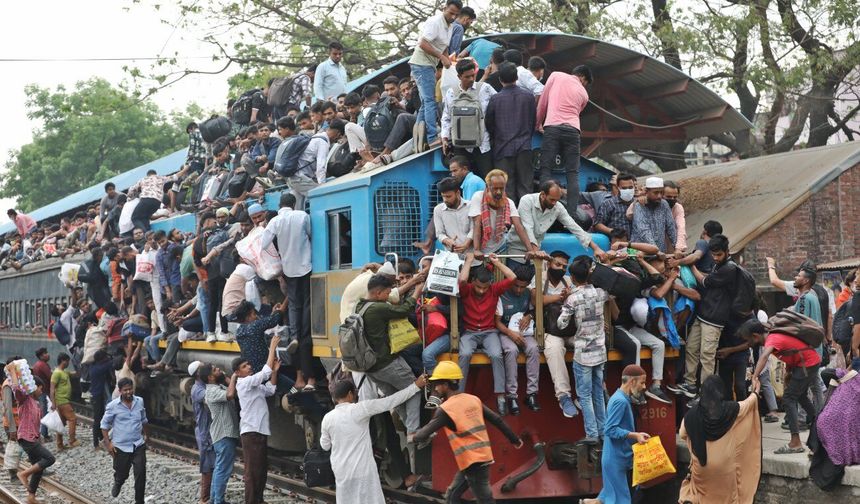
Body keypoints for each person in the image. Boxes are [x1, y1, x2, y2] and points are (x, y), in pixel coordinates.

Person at [413, 361, 522, 503]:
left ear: (445, 385)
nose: (436, 389)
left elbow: (422, 435)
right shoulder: (473, 399)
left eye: (437, 385)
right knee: (452, 496)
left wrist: (415, 437)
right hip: (476, 460)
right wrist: (515, 440)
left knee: (485, 499)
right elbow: (497, 420)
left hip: (473, 462)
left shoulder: (446, 409)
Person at [321, 374, 427, 504]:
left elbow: (325, 445)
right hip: (363, 470)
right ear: (350, 394)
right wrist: (415, 386)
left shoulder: (327, 418)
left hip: (341, 471)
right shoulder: (360, 409)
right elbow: (391, 401)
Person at [668, 235, 737, 398]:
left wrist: (691, 265)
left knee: (707, 356)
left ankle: (706, 393)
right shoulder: (716, 264)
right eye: (713, 255)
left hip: (715, 320)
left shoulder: (729, 268)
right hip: (703, 315)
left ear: (727, 252)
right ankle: (690, 384)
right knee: (691, 348)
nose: (715, 258)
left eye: (719, 255)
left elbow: (704, 281)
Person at [356, 274, 425, 437]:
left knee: (397, 398)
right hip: (388, 363)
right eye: (387, 293)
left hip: (371, 368)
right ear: (378, 293)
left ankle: (410, 430)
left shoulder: (360, 306)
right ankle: (414, 432)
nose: (389, 297)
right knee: (414, 389)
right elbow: (403, 310)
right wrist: (417, 292)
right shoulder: (378, 308)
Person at [261, 192, 315, 391]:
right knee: (308, 302)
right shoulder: (302, 216)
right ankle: (304, 332)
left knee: (294, 304)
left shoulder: (275, 221)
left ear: (280, 204)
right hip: (307, 265)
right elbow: (310, 235)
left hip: (289, 268)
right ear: (293, 203)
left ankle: (294, 336)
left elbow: (264, 243)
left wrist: (278, 253)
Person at [678, 375, 762, 503]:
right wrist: (755, 392)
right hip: (725, 470)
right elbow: (748, 404)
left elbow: (683, 433)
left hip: (702, 468)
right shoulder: (731, 410)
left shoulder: (692, 415)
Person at [743, 319, 820, 454]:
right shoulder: (774, 337)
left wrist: (754, 377)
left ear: (755, 336)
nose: (749, 344)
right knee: (800, 396)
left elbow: (765, 356)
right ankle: (821, 424)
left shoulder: (771, 339)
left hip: (807, 363)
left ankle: (796, 442)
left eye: (749, 340)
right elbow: (792, 350)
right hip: (807, 362)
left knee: (789, 398)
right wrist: (790, 370)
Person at [558, 256, 610, 442]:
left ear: (572, 277)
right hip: (600, 351)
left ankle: (591, 434)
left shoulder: (572, 299)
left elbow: (561, 324)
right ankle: (603, 431)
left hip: (583, 353)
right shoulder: (600, 293)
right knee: (597, 392)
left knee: (584, 395)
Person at [580, 365, 651, 504]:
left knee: (612, 497)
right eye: (642, 382)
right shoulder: (620, 401)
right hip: (617, 460)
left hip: (616, 458)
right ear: (632, 382)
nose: (644, 386)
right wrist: (635, 435)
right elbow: (610, 429)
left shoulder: (618, 397)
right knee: (623, 499)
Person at [457, 253, 517, 414]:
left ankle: (500, 396)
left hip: (489, 332)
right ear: (473, 282)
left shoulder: (494, 290)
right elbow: (462, 280)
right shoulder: (467, 289)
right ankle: (459, 395)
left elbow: (512, 278)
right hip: (469, 333)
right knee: (464, 354)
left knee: (497, 355)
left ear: (490, 284)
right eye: (478, 286)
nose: (482, 291)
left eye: (485, 287)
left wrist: (496, 262)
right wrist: (469, 261)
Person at [536, 65, 592, 212]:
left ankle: (543, 206)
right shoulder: (584, 94)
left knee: (546, 169)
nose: (583, 85)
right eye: (585, 82)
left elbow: (543, 102)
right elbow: (576, 113)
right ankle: (572, 213)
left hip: (552, 127)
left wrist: (538, 124)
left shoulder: (556, 75)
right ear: (582, 78)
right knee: (572, 173)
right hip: (573, 131)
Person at [507, 180, 606, 264]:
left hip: (536, 253)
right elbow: (528, 227)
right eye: (552, 200)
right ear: (543, 195)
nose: (554, 203)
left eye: (557, 200)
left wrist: (595, 247)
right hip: (516, 250)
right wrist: (535, 251)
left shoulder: (557, 207)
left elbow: (573, 227)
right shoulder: (527, 200)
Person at [408, 0, 461, 148]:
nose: (453, 16)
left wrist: (447, 58)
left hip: (429, 64)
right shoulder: (435, 22)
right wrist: (441, 57)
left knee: (426, 102)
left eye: (456, 15)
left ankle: (418, 136)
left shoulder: (450, 26)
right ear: (444, 8)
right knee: (430, 100)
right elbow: (423, 44)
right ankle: (431, 138)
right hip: (421, 63)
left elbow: (443, 46)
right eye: (451, 13)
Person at [234, 334, 281, 504]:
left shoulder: (253, 385)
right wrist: (272, 347)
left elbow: (270, 389)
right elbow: (265, 372)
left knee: (260, 470)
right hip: (251, 431)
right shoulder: (244, 383)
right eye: (245, 366)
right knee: (252, 472)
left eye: (248, 365)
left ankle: (258, 500)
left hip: (259, 430)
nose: (249, 367)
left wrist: (275, 372)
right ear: (238, 372)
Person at [485, 62, 537, 204]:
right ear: (516, 78)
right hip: (524, 147)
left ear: (500, 80)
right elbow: (533, 121)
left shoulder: (495, 99)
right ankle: (526, 222)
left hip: (502, 148)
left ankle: (509, 222)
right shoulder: (528, 97)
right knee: (526, 187)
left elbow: (489, 123)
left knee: (505, 188)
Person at [5, 368, 55, 504]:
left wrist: (39, 438)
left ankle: (31, 497)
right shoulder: (25, 399)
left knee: (38, 468)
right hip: (25, 438)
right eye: (40, 388)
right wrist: (14, 373)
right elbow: (16, 389)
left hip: (33, 438)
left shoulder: (36, 404)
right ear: (33, 387)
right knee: (50, 459)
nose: (41, 391)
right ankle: (23, 473)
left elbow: (35, 424)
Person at [495, 265, 540, 413]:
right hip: (506, 332)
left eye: (523, 286)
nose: (519, 290)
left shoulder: (528, 293)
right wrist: (510, 333)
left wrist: (529, 315)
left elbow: (533, 310)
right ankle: (512, 396)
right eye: (516, 285)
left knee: (533, 348)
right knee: (511, 350)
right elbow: (497, 322)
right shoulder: (502, 295)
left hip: (525, 333)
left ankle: (531, 394)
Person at [441, 58, 496, 175]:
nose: (471, 79)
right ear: (459, 76)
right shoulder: (451, 93)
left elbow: (500, 105)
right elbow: (446, 117)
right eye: (467, 77)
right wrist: (445, 138)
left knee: (486, 177)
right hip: (460, 145)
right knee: (461, 179)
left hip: (483, 144)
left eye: (473, 75)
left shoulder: (485, 88)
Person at [101, 377, 148, 504]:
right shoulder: (112, 406)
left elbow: (144, 419)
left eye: (130, 389)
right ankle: (118, 482)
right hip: (121, 446)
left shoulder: (140, 401)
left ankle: (140, 501)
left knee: (140, 473)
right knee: (122, 473)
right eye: (125, 390)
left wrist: (146, 435)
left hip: (138, 444)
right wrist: (108, 443)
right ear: (120, 391)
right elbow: (104, 426)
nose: (128, 392)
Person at [468, 169, 532, 257]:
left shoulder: (509, 202)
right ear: (488, 187)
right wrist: (476, 250)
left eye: (501, 188)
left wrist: (530, 250)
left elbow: (518, 227)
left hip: (499, 249)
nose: (498, 192)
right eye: (495, 188)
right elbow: (477, 223)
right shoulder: (478, 197)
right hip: (479, 249)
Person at [203, 363, 239, 504]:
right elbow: (230, 394)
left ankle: (214, 500)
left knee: (220, 468)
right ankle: (218, 500)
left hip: (224, 434)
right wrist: (234, 376)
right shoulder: (211, 391)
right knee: (223, 470)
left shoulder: (218, 387)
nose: (219, 369)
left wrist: (227, 378)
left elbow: (233, 390)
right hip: (224, 434)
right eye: (215, 369)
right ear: (210, 377)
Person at [129, 166, 189, 232]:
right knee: (145, 218)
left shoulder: (143, 179)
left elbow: (131, 189)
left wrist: (130, 197)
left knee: (135, 218)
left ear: (148, 175)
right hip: (157, 203)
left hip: (146, 200)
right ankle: (149, 232)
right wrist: (185, 169)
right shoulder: (160, 178)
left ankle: (146, 235)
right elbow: (175, 176)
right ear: (156, 174)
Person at [629, 177, 677, 253]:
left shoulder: (664, 204)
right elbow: (644, 231)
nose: (659, 196)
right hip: (640, 252)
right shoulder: (639, 205)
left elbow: (671, 227)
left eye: (661, 193)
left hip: (660, 251)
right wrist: (656, 251)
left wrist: (677, 248)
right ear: (647, 192)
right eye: (655, 193)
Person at [188, 361, 214, 504]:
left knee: (212, 464)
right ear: (198, 373)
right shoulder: (197, 389)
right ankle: (204, 498)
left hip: (209, 430)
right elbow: (211, 397)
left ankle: (211, 496)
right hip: (205, 432)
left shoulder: (202, 386)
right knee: (207, 466)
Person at [433, 176, 473, 256]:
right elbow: (439, 234)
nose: (445, 200)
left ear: (458, 193)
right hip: (452, 259)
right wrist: (448, 241)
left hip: (473, 259)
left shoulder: (471, 206)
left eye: (448, 196)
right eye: (443, 196)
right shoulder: (438, 209)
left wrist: (466, 244)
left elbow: (474, 229)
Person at [50, 352, 78, 450]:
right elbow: (52, 389)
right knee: (72, 419)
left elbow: (73, 374)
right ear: (63, 361)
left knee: (60, 423)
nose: (68, 363)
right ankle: (72, 441)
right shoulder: (57, 373)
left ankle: (59, 444)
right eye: (67, 361)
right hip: (62, 401)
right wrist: (53, 403)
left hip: (62, 401)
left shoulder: (63, 372)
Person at [89, 349, 114, 450]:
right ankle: (96, 443)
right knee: (97, 419)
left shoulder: (93, 367)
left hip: (97, 395)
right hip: (98, 396)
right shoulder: (100, 368)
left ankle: (100, 438)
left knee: (100, 418)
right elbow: (111, 363)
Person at [662, 180, 686, 254]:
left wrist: (679, 248)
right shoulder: (652, 206)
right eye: (668, 197)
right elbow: (629, 214)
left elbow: (681, 227)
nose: (672, 199)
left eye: (675, 197)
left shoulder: (677, 207)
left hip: (671, 245)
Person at [32, 348, 51, 441]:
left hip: (40, 391)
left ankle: (43, 433)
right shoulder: (43, 365)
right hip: (44, 391)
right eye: (45, 353)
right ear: (41, 356)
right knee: (44, 413)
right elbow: (50, 377)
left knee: (42, 411)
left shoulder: (36, 364)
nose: (48, 354)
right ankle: (44, 434)